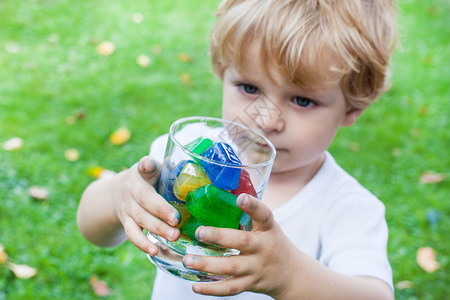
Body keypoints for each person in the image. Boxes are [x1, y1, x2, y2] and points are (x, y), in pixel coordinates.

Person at [77, 0, 397, 299]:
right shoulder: (185, 158)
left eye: (302, 100)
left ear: (352, 108)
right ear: (221, 70)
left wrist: (290, 275)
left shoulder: (346, 207)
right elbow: (94, 231)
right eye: (249, 88)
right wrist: (120, 195)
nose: (268, 119)